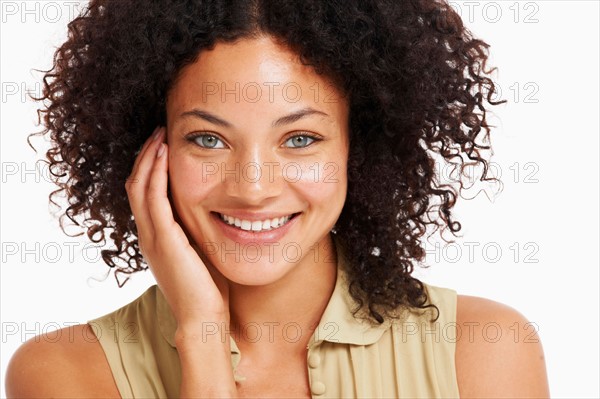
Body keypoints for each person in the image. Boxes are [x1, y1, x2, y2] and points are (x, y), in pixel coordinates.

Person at [6, 0, 550, 397]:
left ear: (358, 148)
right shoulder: (64, 373)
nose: (254, 186)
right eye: (208, 139)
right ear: (151, 148)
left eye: (300, 139)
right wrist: (201, 333)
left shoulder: (483, 351)